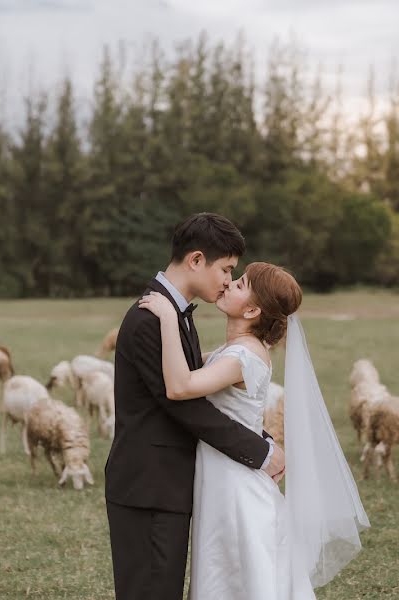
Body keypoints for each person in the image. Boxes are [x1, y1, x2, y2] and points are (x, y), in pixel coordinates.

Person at [139, 259, 369, 599]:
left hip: (236, 489)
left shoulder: (243, 357)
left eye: (241, 283)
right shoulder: (235, 351)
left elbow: (180, 386)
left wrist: (170, 316)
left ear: (251, 311)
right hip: (224, 479)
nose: (230, 283)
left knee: (238, 579)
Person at [104, 213, 285, 600]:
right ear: (196, 260)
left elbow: (210, 397)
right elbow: (185, 405)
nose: (226, 281)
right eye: (226, 269)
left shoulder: (175, 313)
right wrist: (261, 450)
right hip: (147, 487)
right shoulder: (151, 317)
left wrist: (261, 436)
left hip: (167, 486)